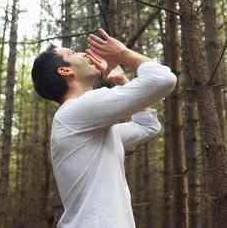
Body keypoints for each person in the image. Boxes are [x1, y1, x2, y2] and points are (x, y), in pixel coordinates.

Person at [31, 28, 177, 228]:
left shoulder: (92, 130)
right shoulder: (74, 111)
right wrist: (123, 54)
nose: (83, 53)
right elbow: (164, 79)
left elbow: (148, 126)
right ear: (65, 71)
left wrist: (122, 81)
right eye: (72, 53)